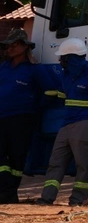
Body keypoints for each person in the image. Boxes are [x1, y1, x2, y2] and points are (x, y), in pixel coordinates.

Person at [40, 38, 88, 206]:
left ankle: (77, 200)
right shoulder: (66, 76)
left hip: (85, 123)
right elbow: (61, 96)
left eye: (62, 58)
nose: (59, 61)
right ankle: (46, 198)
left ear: (70, 58)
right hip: (67, 123)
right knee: (55, 162)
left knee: (83, 165)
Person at [0, 29, 44, 204]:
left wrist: (34, 109)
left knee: (17, 157)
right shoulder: (3, 67)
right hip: (2, 118)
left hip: (21, 120)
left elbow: (49, 92)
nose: (9, 49)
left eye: (14, 45)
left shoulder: (35, 70)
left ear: (25, 47)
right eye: (7, 46)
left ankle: (9, 194)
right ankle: (6, 190)